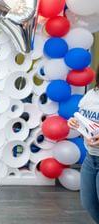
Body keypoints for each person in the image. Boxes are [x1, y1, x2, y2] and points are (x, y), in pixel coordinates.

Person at [67, 69, 99, 223]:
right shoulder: (92, 94)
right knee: (89, 204)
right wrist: (75, 123)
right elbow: (82, 119)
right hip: (91, 158)